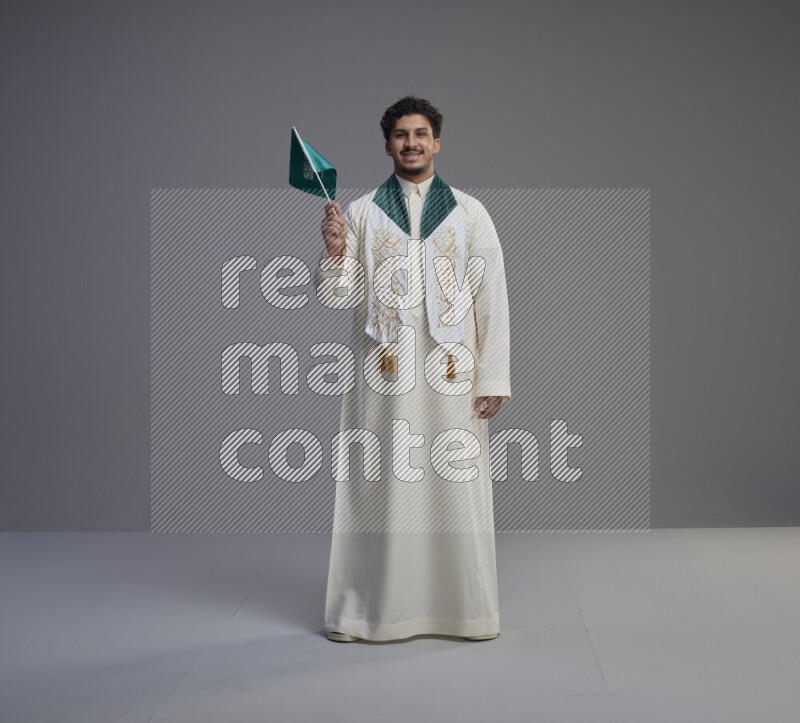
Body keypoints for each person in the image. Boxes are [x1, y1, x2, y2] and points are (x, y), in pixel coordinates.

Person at [317, 96, 512, 642]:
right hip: (384, 375)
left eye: (421, 133)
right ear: (387, 146)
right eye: (401, 135)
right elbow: (338, 297)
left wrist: (494, 377)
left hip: (452, 374)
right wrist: (335, 252)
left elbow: (491, 297)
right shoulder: (360, 213)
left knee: (455, 484)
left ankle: (464, 612)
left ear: (437, 143)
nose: (411, 143)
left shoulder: (470, 213)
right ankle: (367, 613)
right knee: (380, 486)